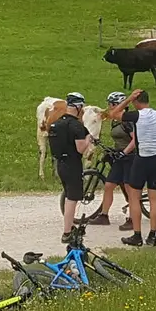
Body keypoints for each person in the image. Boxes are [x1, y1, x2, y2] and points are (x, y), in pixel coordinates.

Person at [122, 89, 156, 247]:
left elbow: (114, 113)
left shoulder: (137, 115)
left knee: (134, 197)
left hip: (141, 158)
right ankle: (153, 234)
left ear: (136, 101)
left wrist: (127, 99)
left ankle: (137, 235)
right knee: (154, 198)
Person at [47, 92, 93, 239]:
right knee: (72, 199)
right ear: (78, 107)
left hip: (60, 163)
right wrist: (88, 139)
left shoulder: (57, 123)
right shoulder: (76, 126)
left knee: (68, 196)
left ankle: (70, 226)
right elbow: (80, 148)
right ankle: (67, 231)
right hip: (73, 163)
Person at [85, 91, 132, 227]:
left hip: (130, 156)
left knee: (129, 188)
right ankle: (104, 216)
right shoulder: (115, 120)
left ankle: (132, 218)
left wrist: (125, 152)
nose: (109, 106)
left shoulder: (127, 121)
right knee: (109, 185)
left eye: (111, 104)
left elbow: (135, 140)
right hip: (119, 155)